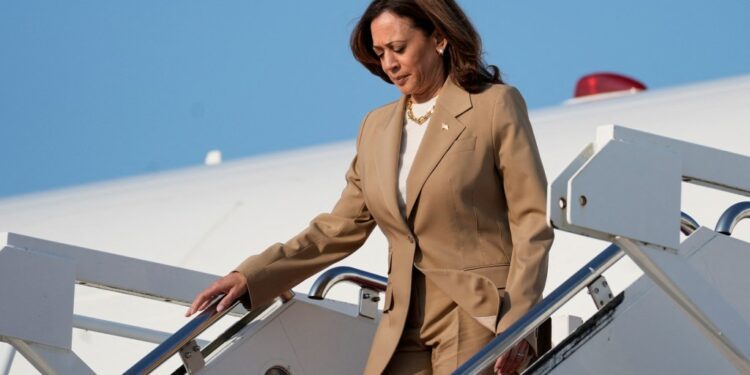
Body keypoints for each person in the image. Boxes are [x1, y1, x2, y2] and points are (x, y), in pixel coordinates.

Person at [186, 0, 553, 374]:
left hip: (478, 312)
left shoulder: (494, 105)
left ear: (439, 38)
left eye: (398, 48)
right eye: (380, 54)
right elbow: (338, 228)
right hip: (402, 319)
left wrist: (519, 321)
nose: (389, 64)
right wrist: (253, 276)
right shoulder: (376, 128)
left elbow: (531, 222)